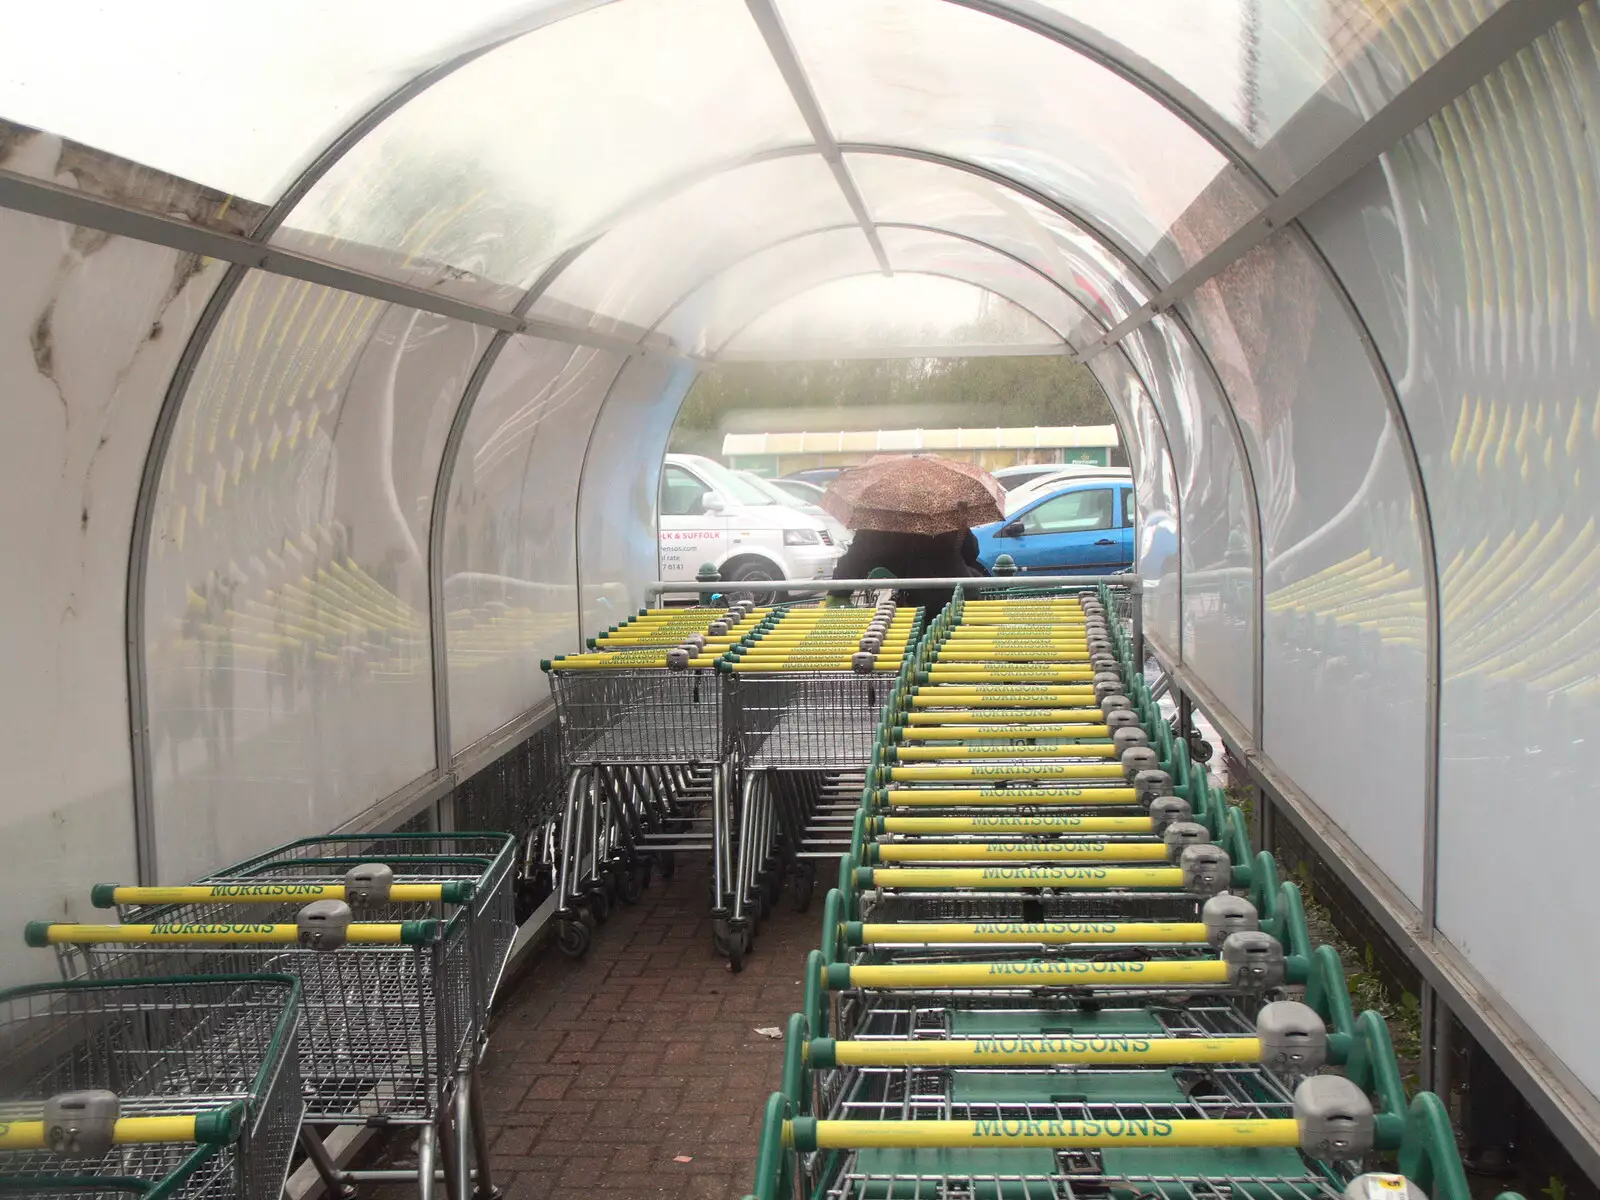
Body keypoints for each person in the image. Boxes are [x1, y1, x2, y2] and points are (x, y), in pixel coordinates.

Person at [833, 527, 986, 617]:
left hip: (918, 605)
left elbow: (857, 557)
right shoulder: (947, 516)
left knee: (917, 656)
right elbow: (971, 551)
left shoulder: (882, 523)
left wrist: (838, 594)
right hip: (960, 594)